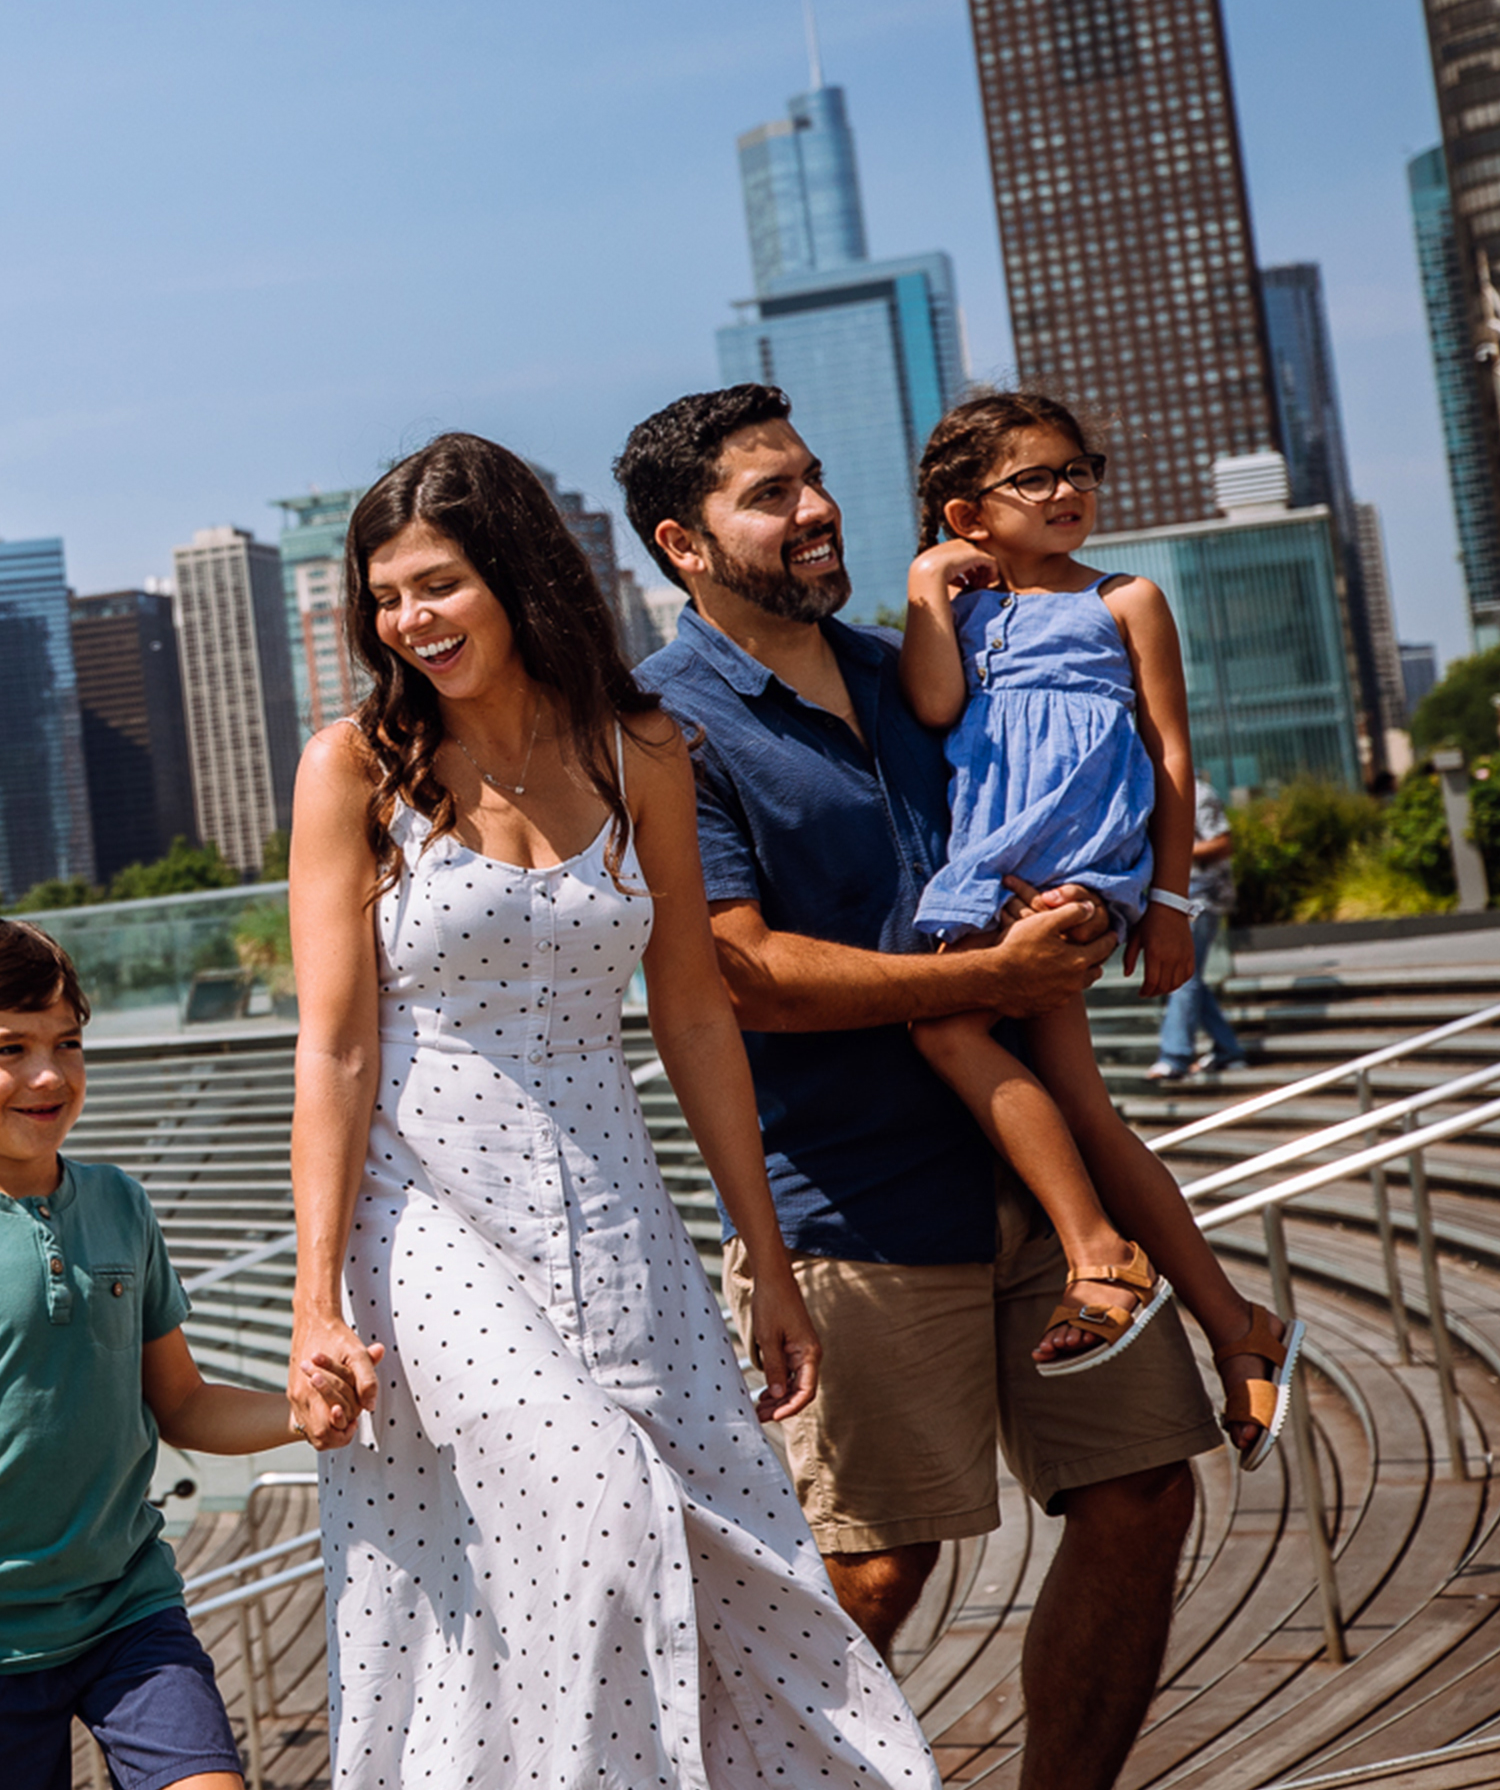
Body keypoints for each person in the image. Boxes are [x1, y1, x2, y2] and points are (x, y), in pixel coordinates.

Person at [281, 432, 931, 1788]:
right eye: (387, 596)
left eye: (438, 585)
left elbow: (693, 1011)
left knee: (720, 1543)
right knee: (589, 1505)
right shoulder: (354, 769)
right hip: (423, 1214)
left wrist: (766, 1262)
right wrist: (315, 1302)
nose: (409, 621)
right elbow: (336, 1049)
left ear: (518, 576)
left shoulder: (640, 747)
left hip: (611, 1207)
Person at [614, 385, 1232, 1790]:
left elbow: (1058, 792)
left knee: (1141, 1496)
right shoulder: (668, 727)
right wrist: (982, 982)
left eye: (814, 479)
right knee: (872, 1570)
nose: (816, 507)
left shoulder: (920, 663)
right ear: (684, 543)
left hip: (1035, 1170)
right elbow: (741, 973)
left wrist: (1103, 900)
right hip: (856, 1198)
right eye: (769, 495)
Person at [0, 918, 347, 1790]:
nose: (49, 1074)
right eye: (9, 1051)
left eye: (67, 1042)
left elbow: (182, 1403)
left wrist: (297, 1414)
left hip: (131, 1612)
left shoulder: (120, 1202)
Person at [893, 394, 1303, 1434]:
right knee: (1080, 1098)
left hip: (1077, 868)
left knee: (946, 1024)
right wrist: (926, 584)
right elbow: (936, 707)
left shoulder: (1126, 598)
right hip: (992, 867)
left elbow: (1171, 749)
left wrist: (1166, 901)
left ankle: (1097, 1250)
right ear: (966, 511)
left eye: (1080, 468)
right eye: (1036, 477)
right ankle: (1237, 1321)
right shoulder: (966, 608)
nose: (1069, 489)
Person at [1153, 775, 1249, 1084]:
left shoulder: (1196, 792)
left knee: (1183, 974)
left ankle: (1175, 1056)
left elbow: (1223, 843)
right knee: (1188, 976)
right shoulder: (1150, 791)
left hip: (1200, 895)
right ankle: (1228, 1050)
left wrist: (1171, 852)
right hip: (1179, 894)